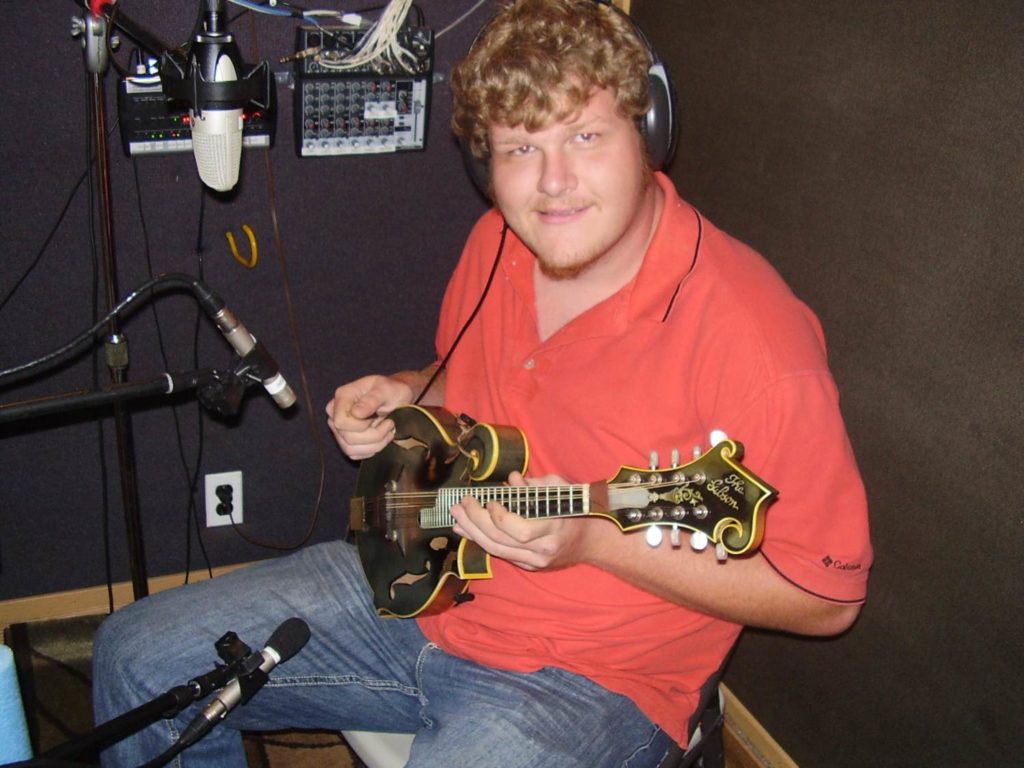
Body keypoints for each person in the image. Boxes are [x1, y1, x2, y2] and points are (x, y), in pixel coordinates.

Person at [92, 1, 872, 766]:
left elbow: (828, 598)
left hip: (589, 682)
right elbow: (462, 379)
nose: (553, 184)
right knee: (135, 656)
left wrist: (595, 538)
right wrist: (409, 390)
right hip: (422, 587)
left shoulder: (756, 340)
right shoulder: (498, 240)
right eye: (519, 149)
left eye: (586, 136)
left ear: (649, 135)